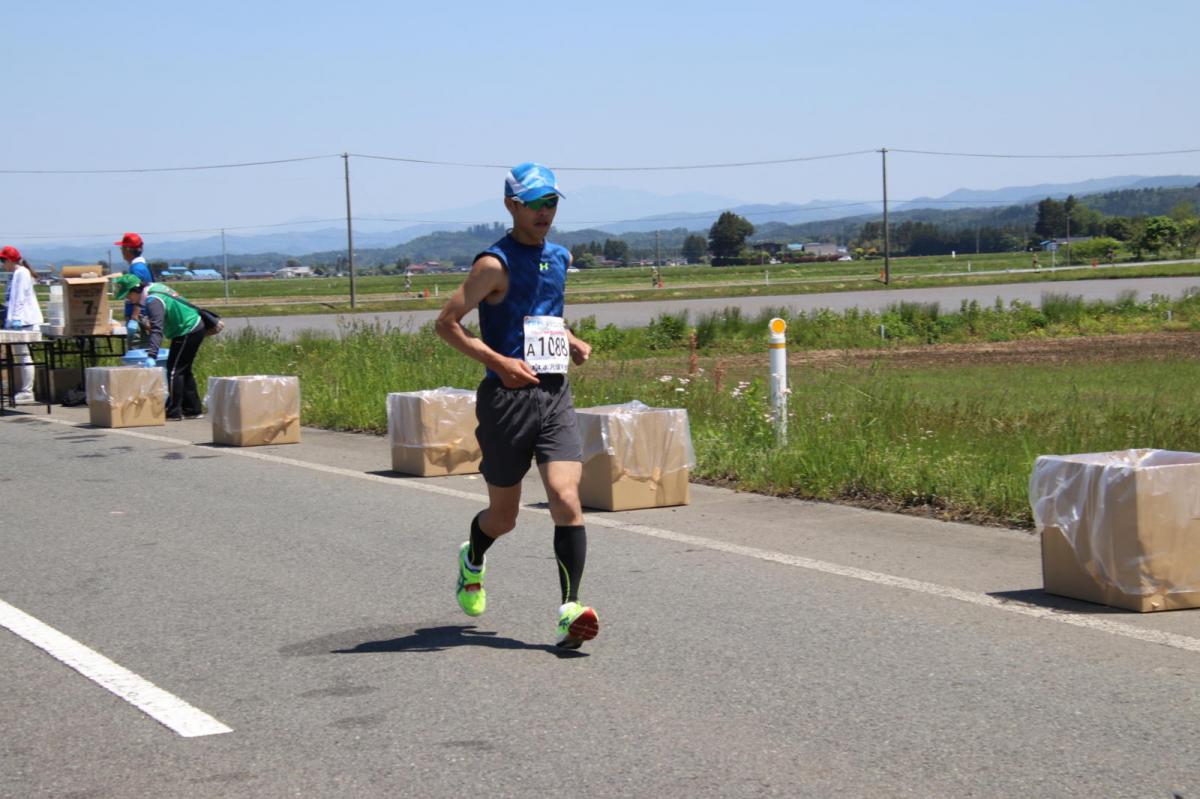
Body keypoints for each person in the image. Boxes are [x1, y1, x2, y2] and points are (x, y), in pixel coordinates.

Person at [435, 162, 599, 649]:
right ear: (512, 206)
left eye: (551, 203)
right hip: (506, 400)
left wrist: (568, 338)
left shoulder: (560, 257)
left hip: (554, 394)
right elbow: (446, 324)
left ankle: (570, 611)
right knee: (502, 517)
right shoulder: (493, 265)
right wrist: (499, 362)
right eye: (534, 204)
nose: (544, 212)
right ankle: (473, 557)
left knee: (565, 497)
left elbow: (542, 314)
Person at [111, 274, 205, 420]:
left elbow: (157, 330)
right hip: (192, 327)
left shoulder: (153, 300)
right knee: (183, 370)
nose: (128, 299)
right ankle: (193, 408)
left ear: (135, 290)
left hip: (187, 329)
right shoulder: (153, 289)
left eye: (128, 295)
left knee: (174, 371)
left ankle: (174, 411)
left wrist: (152, 355)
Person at [2, 245, 44, 404]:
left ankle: (27, 391)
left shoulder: (21, 273)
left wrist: (16, 319)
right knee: (21, 356)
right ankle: (25, 390)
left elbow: (19, 297)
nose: (2, 264)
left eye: (3, 260)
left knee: (23, 356)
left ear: (9, 260)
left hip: (25, 321)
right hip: (21, 320)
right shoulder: (18, 273)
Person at [115, 232, 153, 335]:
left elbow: (138, 290)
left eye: (122, 248)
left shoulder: (137, 269)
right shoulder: (140, 266)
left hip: (139, 318)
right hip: (143, 316)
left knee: (138, 349)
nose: (121, 251)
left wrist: (134, 317)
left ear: (127, 250)